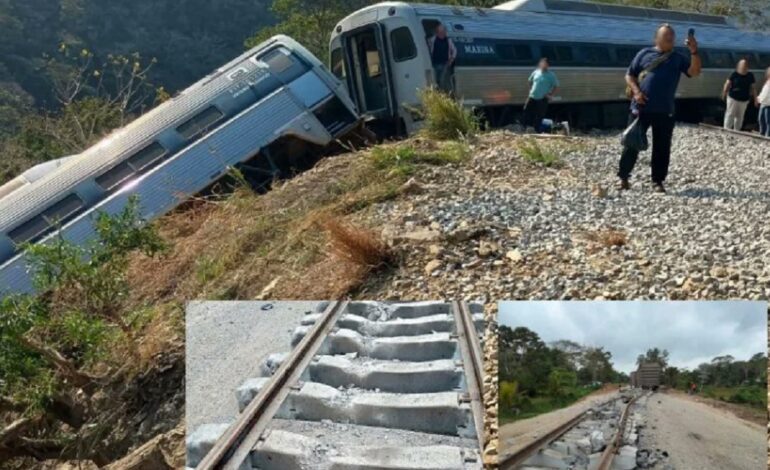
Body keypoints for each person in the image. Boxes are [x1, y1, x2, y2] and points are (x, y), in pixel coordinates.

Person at [618, 24, 701, 193]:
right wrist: (636, 92)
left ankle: (658, 181)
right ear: (656, 38)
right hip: (641, 108)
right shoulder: (644, 54)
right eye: (666, 36)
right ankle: (623, 177)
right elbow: (630, 74)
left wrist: (693, 51)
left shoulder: (677, 58)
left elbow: (694, 72)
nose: (670, 38)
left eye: (672, 35)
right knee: (631, 143)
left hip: (665, 109)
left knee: (662, 147)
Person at [524, 58, 559, 132]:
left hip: (542, 98)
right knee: (527, 111)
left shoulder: (551, 75)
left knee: (539, 115)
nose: (542, 64)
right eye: (542, 63)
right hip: (532, 97)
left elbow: (556, 86)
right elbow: (529, 81)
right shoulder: (535, 72)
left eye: (544, 63)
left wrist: (550, 95)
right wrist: (530, 91)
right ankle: (528, 127)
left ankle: (537, 130)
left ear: (548, 65)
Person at [722, 59, 756, 131]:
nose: (743, 67)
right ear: (738, 66)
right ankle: (726, 129)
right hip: (733, 98)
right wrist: (724, 93)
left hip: (744, 99)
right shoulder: (734, 74)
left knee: (740, 116)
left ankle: (737, 130)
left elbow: (753, 88)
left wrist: (755, 99)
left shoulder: (750, 75)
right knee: (730, 114)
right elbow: (727, 84)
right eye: (742, 65)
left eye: (745, 65)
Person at [427, 23, 457, 93]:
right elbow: (428, 46)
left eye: (443, 32)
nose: (442, 34)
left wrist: (452, 59)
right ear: (437, 32)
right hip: (435, 64)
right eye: (440, 32)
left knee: (442, 80)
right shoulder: (432, 39)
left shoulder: (448, 41)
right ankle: (439, 95)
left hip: (445, 64)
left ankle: (445, 94)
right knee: (436, 80)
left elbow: (454, 50)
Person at [757, 67, 770, 137]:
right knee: (760, 120)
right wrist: (759, 98)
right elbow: (763, 92)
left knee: (768, 122)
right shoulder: (767, 82)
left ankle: (767, 136)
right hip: (763, 104)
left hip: (768, 105)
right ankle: (761, 133)